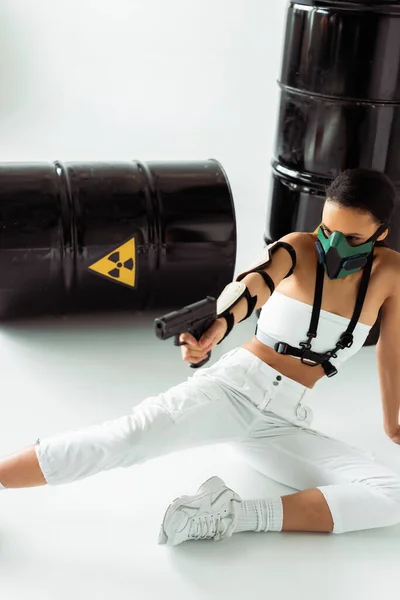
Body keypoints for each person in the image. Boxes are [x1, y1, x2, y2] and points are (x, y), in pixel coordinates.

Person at [1, 168, 400, 546]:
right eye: (327, 230)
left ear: (380, 233)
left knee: (391, 494)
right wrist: (218, 327)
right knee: (127, 438)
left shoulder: (391, 274)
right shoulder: (298, 248)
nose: (332, 245)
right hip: (232, 390)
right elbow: (249, 287)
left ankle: (229, 515)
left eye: (351, 238)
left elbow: (391, 349)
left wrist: (392, 423)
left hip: (282, 420)